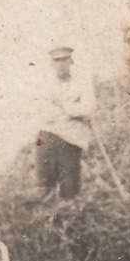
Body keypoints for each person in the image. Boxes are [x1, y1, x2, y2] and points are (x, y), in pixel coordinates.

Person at [36, 46, 95, 200]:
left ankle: (68, 217)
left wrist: (62, 105)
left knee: (69, 188)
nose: (61, 64)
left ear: (71, 61)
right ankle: (46, 216)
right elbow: (44, 114)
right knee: (43, 184)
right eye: (57, 60)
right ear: (52, 64)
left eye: (64, 60)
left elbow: (88, 109)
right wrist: (73, 109)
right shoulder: (45, 85)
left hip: (72, 138)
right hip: (46, 135)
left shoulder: (82, 84)